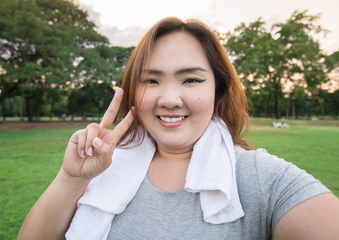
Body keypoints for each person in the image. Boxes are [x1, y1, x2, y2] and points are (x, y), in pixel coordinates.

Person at [18, 17, 339, 240]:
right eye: (151, 80)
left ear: (218, 88)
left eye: (191, 79)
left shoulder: (258, 176)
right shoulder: (102, 167)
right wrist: (72, 178)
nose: (169, 99)